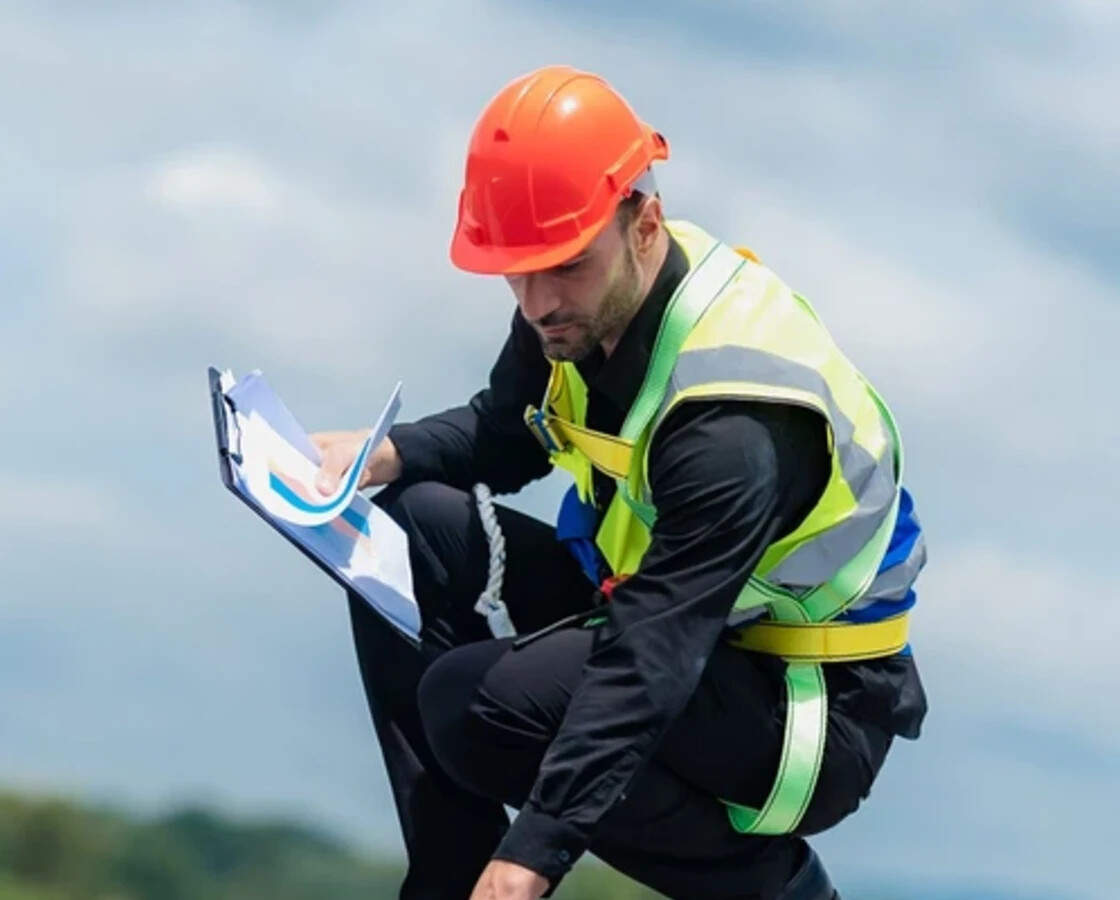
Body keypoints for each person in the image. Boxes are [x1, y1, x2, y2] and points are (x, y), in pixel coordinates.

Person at [309, 65, 927, 900]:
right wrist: (386, 453)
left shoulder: (733, 424)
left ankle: (780, 892)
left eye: (563, 265)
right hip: (674, 624)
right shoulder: (581, 305)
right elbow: (508, 433)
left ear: (644, 224)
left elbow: (650, 657)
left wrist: (530, 857)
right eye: (516, 270)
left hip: (801, 704)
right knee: (407, 530)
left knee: (473, 705)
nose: (536, 302)